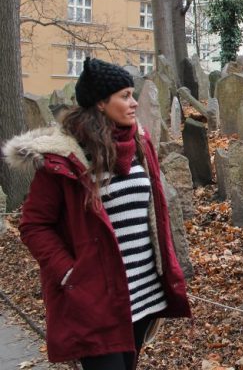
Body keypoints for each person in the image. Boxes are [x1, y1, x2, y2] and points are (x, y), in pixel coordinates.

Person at [2, 57, 191, 370]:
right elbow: (34, 225)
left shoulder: (139, 143)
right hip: (97, 300)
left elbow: (153, 211)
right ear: (101, 103)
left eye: (133, 94)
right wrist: (69, 272)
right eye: (125, 96)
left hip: (142, 294)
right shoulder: (65, 157)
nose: (133, 103)